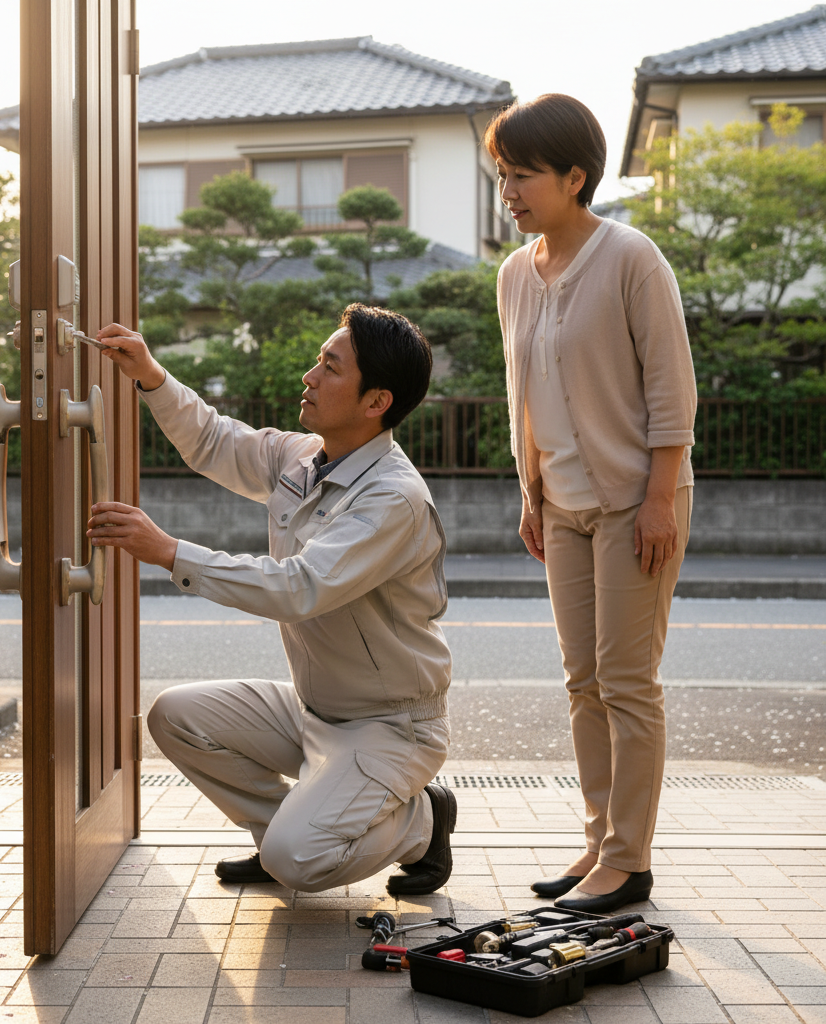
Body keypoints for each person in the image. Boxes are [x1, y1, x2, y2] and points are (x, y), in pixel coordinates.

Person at [85, 304, 456, 895]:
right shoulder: (304, 456)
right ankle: (279, 834)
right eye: (318, 361)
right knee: (174, 716)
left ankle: (423, 823)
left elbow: (299, 587)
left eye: (330, 367)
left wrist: (170, 552)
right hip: (313, 710)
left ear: (376, 402)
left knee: (300, 861)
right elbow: (212, 439)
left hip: (388, 726)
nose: (310, 376)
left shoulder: (393, 499)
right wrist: (150, 374)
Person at [485, 94, 697, 913]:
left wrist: (656, 502)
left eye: (524, 175)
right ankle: (599, 839)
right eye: (502, 175)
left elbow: (670, 393)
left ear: (575, 176)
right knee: (582, 682)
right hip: (563, 506)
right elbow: (525, 395)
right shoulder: (514, 273)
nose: (509, 190)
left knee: (626, 680)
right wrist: (530, 492)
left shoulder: (631, 257)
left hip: (634, 500)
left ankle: (628, 859)